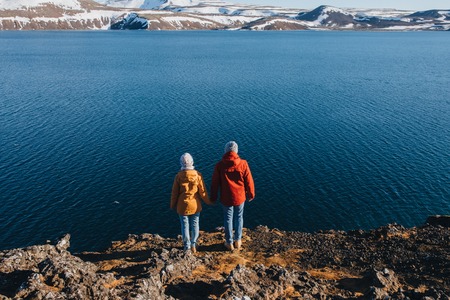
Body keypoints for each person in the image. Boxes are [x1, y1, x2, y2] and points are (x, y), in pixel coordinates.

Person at [211, 141, 255, 251]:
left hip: (226, 198)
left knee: (228, 219)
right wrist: (251, 194)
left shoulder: (220, 165)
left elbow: (215, 183)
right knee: (239, 217)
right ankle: (238, 240)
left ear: (225, 151)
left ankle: (229, 242)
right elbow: (249, 181)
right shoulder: (243, 163)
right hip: (240, 197)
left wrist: (213, 197)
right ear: (236, 151)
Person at [171, 153, 212, 253]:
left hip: (182, 205)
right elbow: (202, 192)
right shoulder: (198, 175)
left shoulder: (178, 176)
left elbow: (174, 193)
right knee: (195, 224)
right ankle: (194, 243)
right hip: (195, 204)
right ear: (192, 162)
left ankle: (187, 246)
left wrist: (172, 205)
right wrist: (208, 201)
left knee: (184, 225)